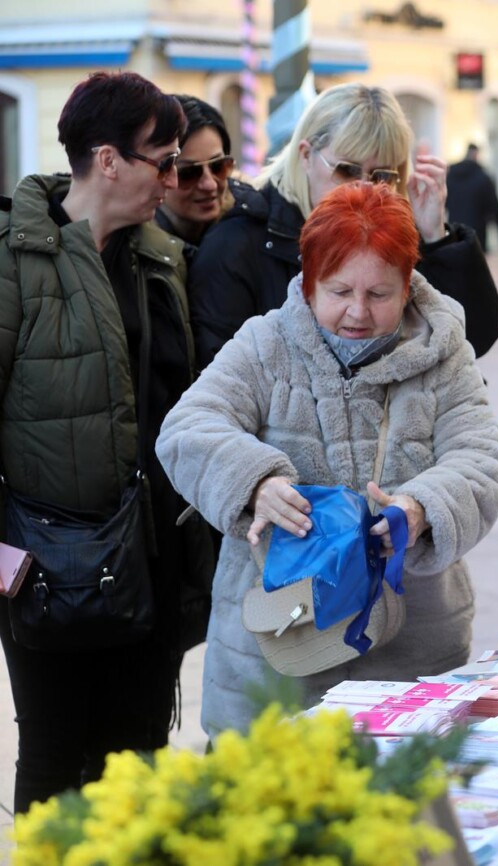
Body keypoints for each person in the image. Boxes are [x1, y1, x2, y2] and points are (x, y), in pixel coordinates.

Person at [156, 182, 498, 737]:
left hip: (411, 649)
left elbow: (484, 456)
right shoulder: (264, 344)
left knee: (408, 813)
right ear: (307, 281)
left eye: (379, 294)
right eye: (339, 290)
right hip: (277, 651)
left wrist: (420, 509)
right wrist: (255, 483)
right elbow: (187, 428)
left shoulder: (443, 353)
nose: (357, 312)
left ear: (409, 284)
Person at [0, 71, 215, 812]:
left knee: (140, 756)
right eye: (163, 159)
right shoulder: (15, 257)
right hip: (46, 562)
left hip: (150, 555)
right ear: (110, 159)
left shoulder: (162, 258)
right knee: (56, 757)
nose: (174, 177)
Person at [187, 82, 498, 369]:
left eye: (382, 175)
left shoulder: (394, 234)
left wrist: (435, 236)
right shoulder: (238, 243)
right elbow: (224, 383)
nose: (363, 187)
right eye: (347, 170)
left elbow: (473, 338)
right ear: (306, 156)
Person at [155, 95, 236, 250]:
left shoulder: (250, 232)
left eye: (218, 166)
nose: (209, 185)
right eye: (188, 173)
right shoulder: (129, 254)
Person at [446, 142, 498, 251]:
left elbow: (444, 202)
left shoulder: (451, 175)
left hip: (455, 229)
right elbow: (494, 206)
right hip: (477, 232)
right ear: (476, 154)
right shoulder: (483, 177)